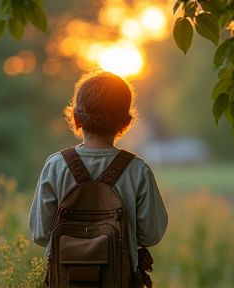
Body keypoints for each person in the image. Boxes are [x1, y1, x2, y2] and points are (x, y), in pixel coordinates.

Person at [28, 70, 168, 285]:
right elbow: (152, 233)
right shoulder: (137, 169)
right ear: (126, 122)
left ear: (75, 116)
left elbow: (40, 233)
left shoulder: (56, 165)